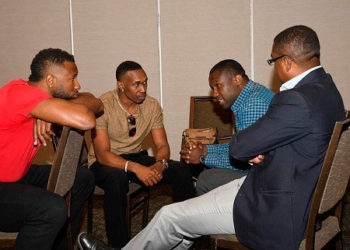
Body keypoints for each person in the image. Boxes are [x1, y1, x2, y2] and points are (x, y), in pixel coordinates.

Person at [78, 25, 345, 250]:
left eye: (273, 61)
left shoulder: (294, 99)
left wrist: (254, 146)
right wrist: (260, 146)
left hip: (271, 204)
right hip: (276, 186)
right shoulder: (328, 90)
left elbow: (241, 147)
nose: (273, 69)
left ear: (286, 61)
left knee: (169, 216)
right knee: (183, 218)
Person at [0, 48, 103, 250]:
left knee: (82, 178)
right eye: (72, 78)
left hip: (16, 175)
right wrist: (47, 109)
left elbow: (97, 104)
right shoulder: (20, 94)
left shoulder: (35, 97)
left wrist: (46, 110)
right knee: (52, 209)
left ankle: (58, 243)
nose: (77, 84)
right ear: (50, 81)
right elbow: (87, 119)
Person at [88, 61, 195, 248]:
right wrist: (137, 169)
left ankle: (185, 237)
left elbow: (162, 144)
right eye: (136, 84)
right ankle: (120, 245)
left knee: (180, 171)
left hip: (135, 155)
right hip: (105, 162)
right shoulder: (102, 106)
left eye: (145, 82)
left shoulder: (152, 105)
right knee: (116, 179)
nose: (143, 89)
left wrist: (160, 163)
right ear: (121, 86)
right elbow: (103, 154)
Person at [180, 59, 274, 196]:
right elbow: (238, 146)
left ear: (237, 79)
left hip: (265, 178)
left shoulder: (253, 105)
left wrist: (202, 157)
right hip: (263, 169)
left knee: (206, 179)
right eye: (213, 89)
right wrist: (206, 149)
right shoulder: (251, 95)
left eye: (218, 86)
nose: (215, 94)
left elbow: (244, 160)